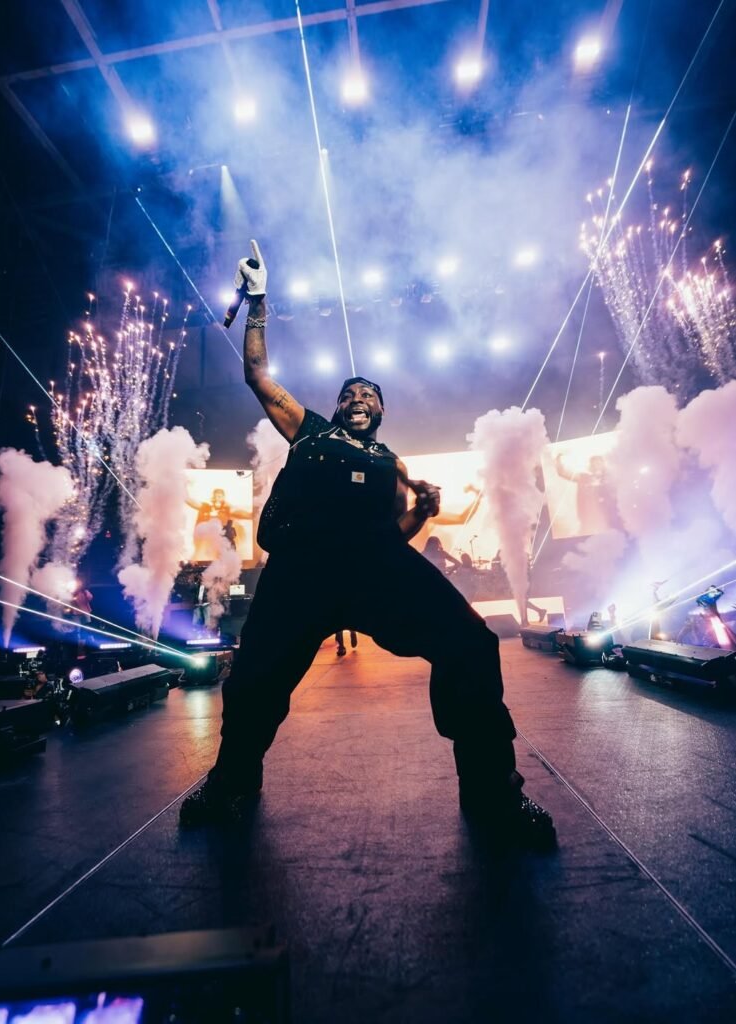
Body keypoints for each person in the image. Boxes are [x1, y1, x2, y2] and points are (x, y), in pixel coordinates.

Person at [180, 240, 555, 849]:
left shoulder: (391, 462)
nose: (358, 398)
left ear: (380, 409)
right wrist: (259, 302)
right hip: (303, 569)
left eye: (368, 394)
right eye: (349, 394)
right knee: (252, 682)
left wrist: (423, 513)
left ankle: (492, 789)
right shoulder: (309, 430)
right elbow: (257, 376)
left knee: (471, 643)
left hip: (378, 568)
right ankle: (232, 782)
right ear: (336, 407)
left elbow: (394, 532)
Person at [186, 488, 250, 561]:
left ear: (223, 498)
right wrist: (182, 494)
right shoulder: (206, 507)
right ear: (213, 497)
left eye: (219, 496)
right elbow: (193, 503)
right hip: (206, 544)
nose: (217, 498)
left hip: (223, 543)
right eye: (216, 496)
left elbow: (240, 513)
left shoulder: (228, 509)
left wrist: (251, 515)